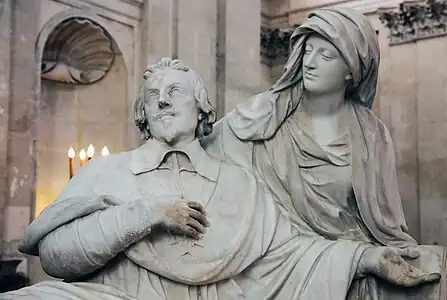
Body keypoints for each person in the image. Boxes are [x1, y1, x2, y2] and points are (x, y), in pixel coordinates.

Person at [0, 57, 439, 300]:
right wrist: (143, 215)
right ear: (142, 114)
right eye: (152, 97)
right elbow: (55, 258)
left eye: (176, 94)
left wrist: (368, 259)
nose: (163, 103)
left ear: (203, 110)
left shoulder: (240, 185)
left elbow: (296, 254)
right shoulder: (107, 170)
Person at [201, 7, 442, 299]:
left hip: (348, 256)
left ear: (351, 73)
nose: (310, 63)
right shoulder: (263, 116)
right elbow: (202, 153)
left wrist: (379, 254)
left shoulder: (371, 135)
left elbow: (386, 226)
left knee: (435, 270)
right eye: (308, 51)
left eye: (326, 56)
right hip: (276, 257)